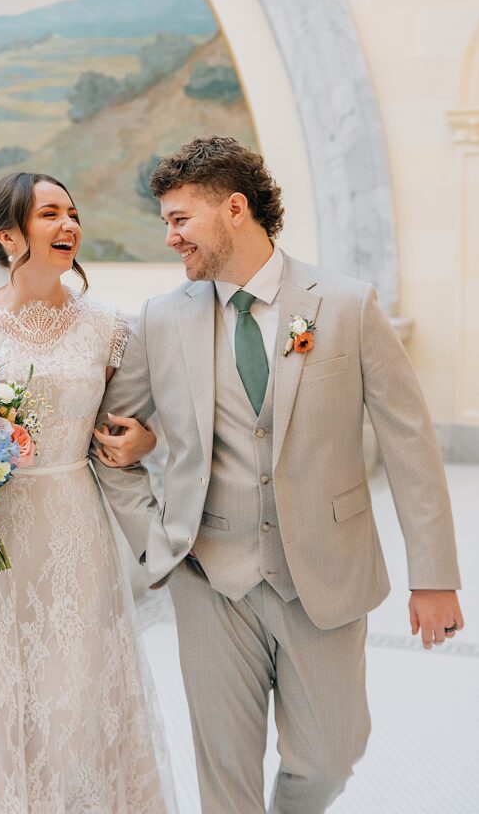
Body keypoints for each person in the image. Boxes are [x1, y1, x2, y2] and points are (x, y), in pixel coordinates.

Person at [91, 136, 463, 814]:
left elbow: (409, 443)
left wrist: (433, 576)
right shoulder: (160, 319)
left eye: (180, 219)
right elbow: (107, 437)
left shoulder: (346, 305)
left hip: (324, 573)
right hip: (208, 577)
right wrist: (153, 538)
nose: (170, 237)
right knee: (224, 776)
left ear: (234, 209)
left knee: (330, 755)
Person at [0, 172, 176, 814]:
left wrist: (147, 440)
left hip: (73, 529)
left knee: (73, 693)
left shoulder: (109, 329)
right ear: (8, 235)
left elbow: (139, 419)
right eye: (50, 214)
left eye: (72, 213)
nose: (69, 224)